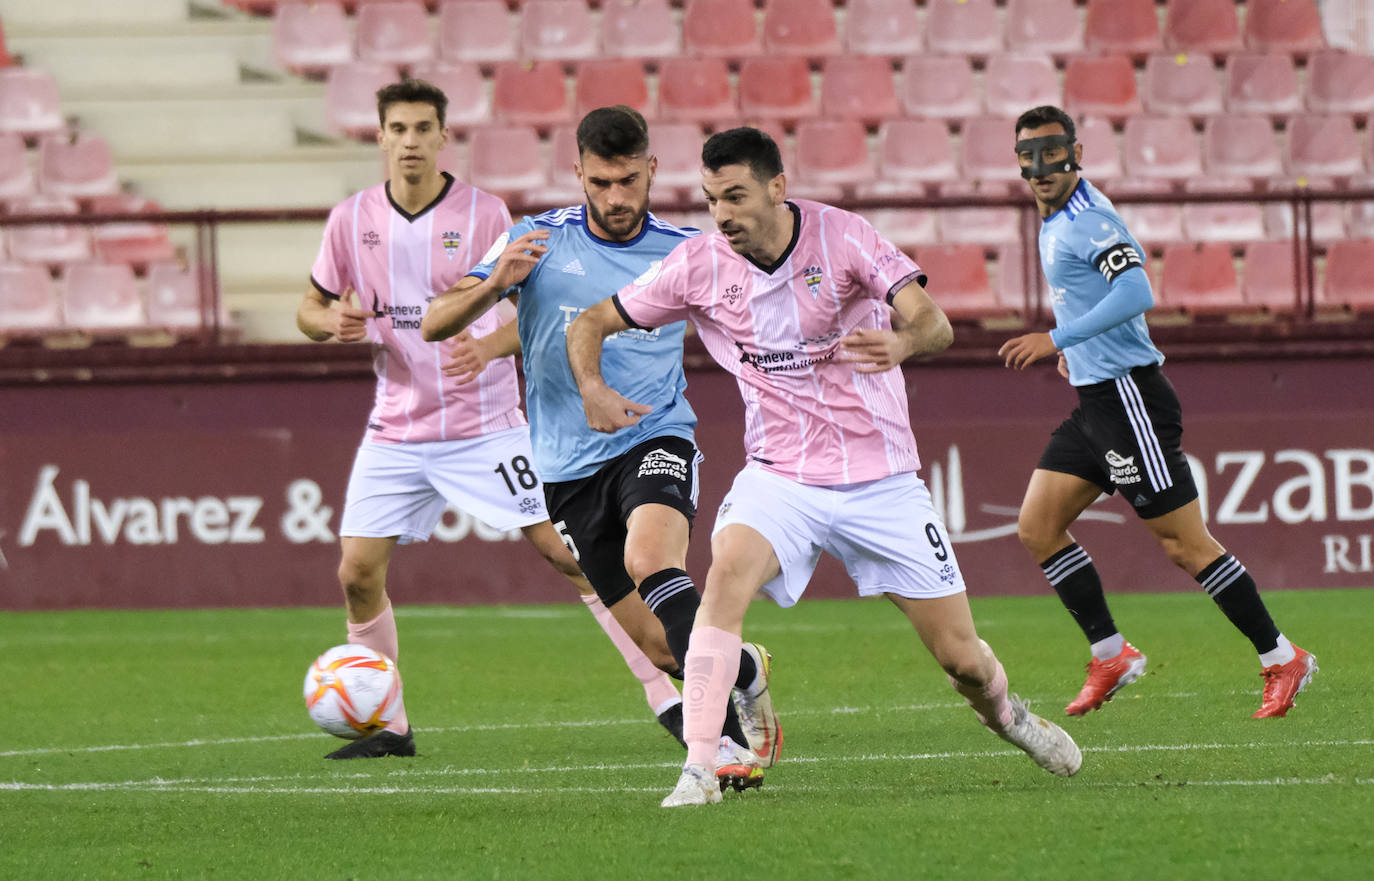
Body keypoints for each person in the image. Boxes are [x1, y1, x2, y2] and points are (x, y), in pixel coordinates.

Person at [566, 126, 1082, 808]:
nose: (724, 213)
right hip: (781, 478)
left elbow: (936, 324)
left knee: (962, 660)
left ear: (778, 188)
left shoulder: (843, 238)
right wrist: (593, 389)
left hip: (883, 482)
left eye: (738, 196)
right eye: (713, 198)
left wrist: (901, 342)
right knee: (723, 579)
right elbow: (590, 322)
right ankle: (700, 767)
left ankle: (1010, 714)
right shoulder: (700, 263)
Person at [297, 80, 684, 759]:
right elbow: (309, 306)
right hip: (396, 424)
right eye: (399, 128)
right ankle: (385, 722)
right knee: (355, 573)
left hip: (487, 423)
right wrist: (327, 320)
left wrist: (489, 345)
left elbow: (529, 316)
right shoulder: (348, 219)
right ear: (380, 136)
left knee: (569, 556)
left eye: (424, 127)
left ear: (444, 135)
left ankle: (668, 692)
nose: (411, 140)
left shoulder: (485, 212)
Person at [420, 106, 782, 790]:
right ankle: (747, 670)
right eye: (601, 183)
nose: (616, 199)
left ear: (651, 170)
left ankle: (724, 744)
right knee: (655, 643)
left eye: (628, 181)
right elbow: (438, 322)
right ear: (578, 173)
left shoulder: (685, 251)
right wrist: (497, 285)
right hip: (566, 467)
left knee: (652, 557)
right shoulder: (534, 241)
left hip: (657, 432)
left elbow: (771, 296)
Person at [997, 105, 1317, 719]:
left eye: (1052, 152)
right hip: (1096, 400)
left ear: (1077, 151)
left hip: (1130, 402)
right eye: (1028, 155)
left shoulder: (1088, 220)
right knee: (1037, 526)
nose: (1040, 167)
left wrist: (1059, 339)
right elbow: (1099, 299)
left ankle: (1282, 657)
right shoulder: (1059, 217)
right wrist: (1081, 349)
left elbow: (1138, 290)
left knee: (1185, 545)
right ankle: (1111, 653)